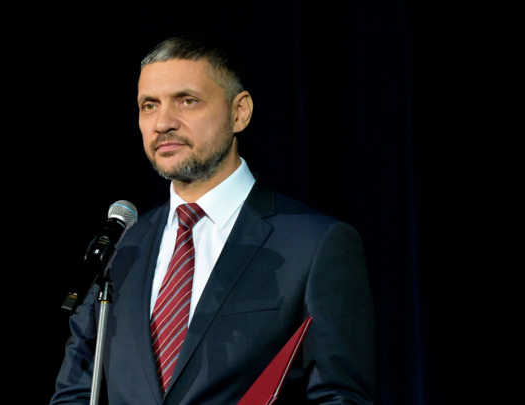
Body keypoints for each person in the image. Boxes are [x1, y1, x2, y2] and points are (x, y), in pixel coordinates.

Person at [50, 36, 376, 404]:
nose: (163, 123)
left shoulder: (315, 245)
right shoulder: (121, 249)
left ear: (240, 112)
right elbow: (75, 394)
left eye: (187, 101)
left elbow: (339, 397)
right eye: (149, 105)